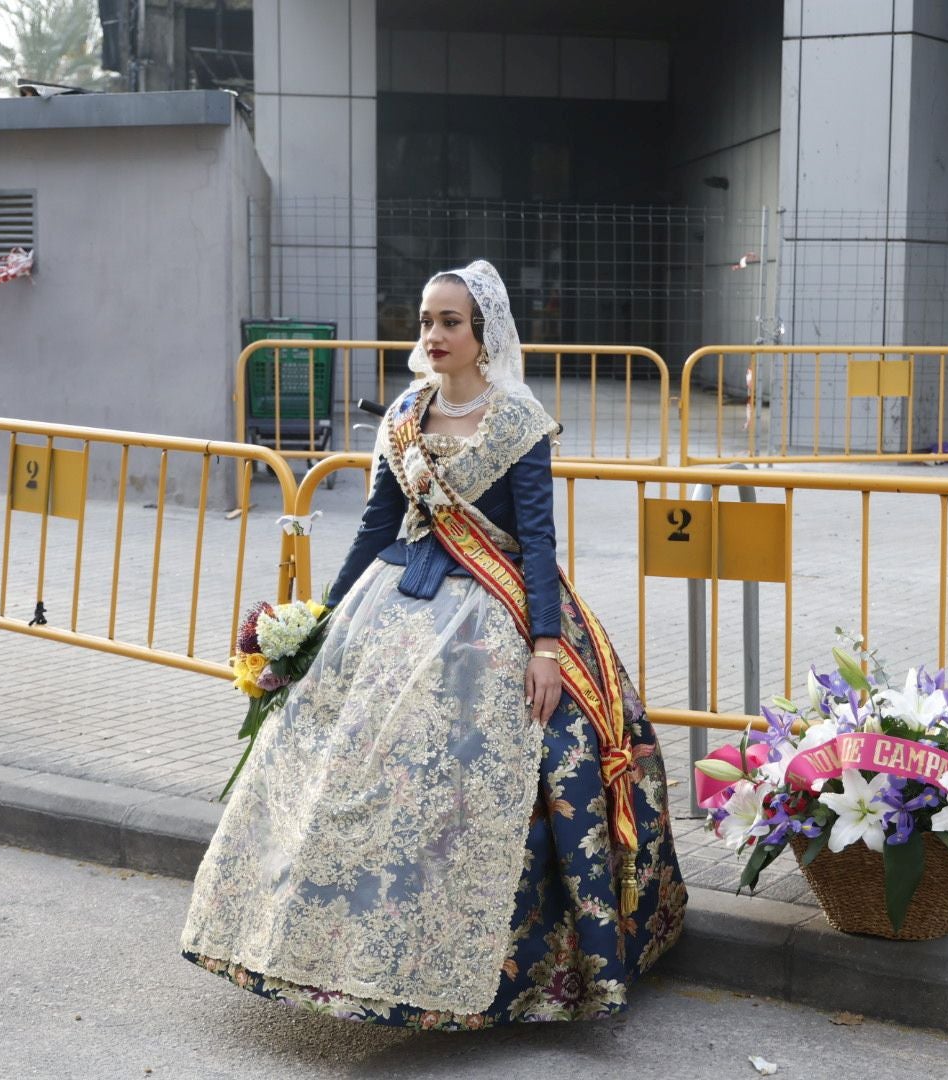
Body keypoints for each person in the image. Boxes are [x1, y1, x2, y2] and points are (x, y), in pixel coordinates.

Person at [181, 259, 686, 1028]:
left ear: (484, 335)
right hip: (393, 607)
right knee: (351, 763)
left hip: (493, 616)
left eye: (451, 322)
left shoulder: (517, 422)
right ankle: (323, 945)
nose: (434, 334)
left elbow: (539, 544)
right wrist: (322, 618)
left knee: (467, 767)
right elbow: (376, 527)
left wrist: (546, 647)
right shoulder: (405, 415)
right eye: (426, 321)